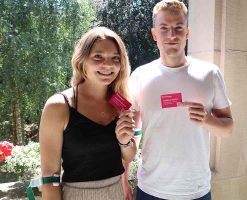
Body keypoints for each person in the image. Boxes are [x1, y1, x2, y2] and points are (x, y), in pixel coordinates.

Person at [122, 0, 234, 199]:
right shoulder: (140, 76)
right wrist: (123, 179)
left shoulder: (210, 73)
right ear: (154, 34)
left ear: (187, 32)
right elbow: (130, 134)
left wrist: (208, 119)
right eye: (164, 28)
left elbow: (227, 128)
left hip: (196, 190)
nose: (172, 35)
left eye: (178, 27)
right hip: (150, 189)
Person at [39, 27, 137, 200]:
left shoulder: (120, 103)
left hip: (116, 193)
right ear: (81, 60)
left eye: (115, 58)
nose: (108, 65)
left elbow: (129, 155)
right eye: (98, 56)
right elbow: (49, 178)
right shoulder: (58, 106)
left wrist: (124, 141)